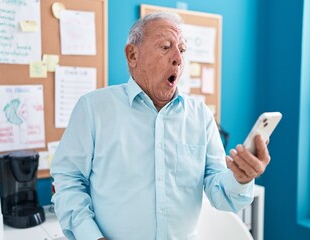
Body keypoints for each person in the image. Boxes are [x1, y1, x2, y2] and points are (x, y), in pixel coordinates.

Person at [50, 11, 271, 240]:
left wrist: (241, 178)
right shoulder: (93, 108)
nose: (178, 58)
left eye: (182, 50)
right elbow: (68, 182)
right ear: (132, 55)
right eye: (166, 47)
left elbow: (219, 192)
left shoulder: (200, 116)